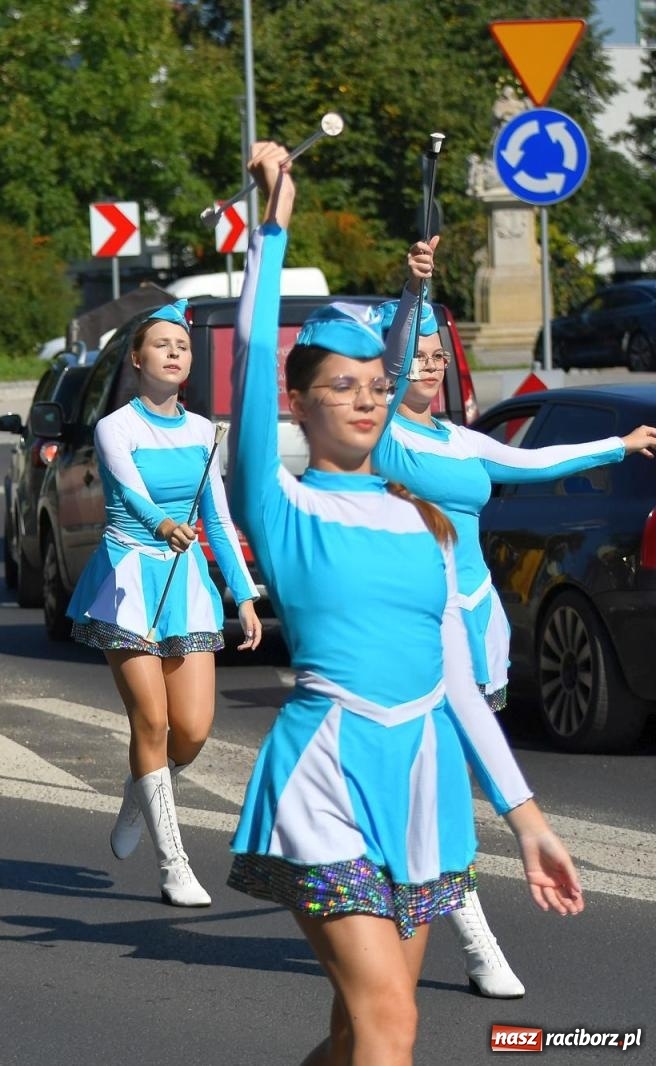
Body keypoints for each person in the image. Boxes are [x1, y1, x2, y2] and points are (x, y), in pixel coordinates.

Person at [226, 143, 582, 1064]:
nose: (364, 400)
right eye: (339, 387)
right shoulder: (283, 501)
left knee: (356, 1030)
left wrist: (528, 820)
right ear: (298, 405)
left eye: (376, 386)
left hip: (427, 788)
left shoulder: (425, 521)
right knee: (395, 1022)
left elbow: (459, 685)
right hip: (329, 771)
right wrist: (273, 225)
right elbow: (255, 352)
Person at [370, 244, 656, 999]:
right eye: (414, 355)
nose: (428, 367)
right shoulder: (380, 439)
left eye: (437, 356)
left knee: (448, 790)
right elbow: (390, 365)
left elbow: (533, 465)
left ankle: (433, 913)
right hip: (415, 631)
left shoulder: (458, 440)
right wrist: (413, 288)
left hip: (476, 622)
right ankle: (475, 939)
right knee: (431, 793)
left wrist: (618, 445)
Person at [63, 298, 262, 907]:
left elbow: (219, 520)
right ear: (137, 358)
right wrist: (161, 527)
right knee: (151, 721)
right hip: (128, 581)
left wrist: (245, 594)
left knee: (193, 731)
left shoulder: (205, 432)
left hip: (188, 586)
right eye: (164, 345)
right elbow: (133, 493)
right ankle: (174, 863)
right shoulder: (115, 427)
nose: (176, 353)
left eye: (184, 346)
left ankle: (139, 792)